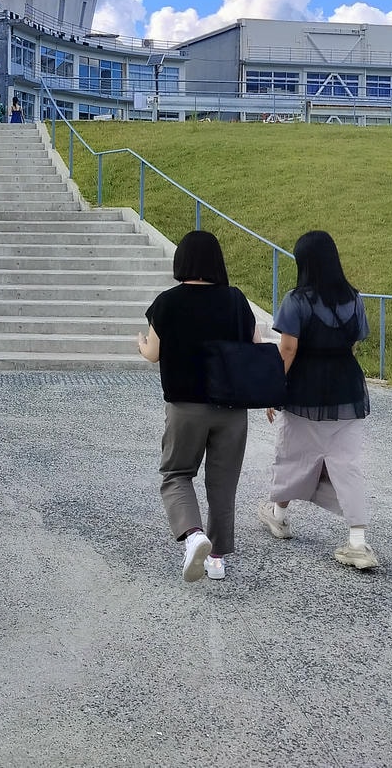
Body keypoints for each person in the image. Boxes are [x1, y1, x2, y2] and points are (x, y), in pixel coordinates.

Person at [138, 230, 260, 582]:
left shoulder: (167, 302)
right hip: (233, 409)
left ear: (182, 261)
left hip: (185, 406)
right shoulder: (236, 300)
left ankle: (194, 536)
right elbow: (255, 346)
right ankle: (217, 559)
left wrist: (140, 343)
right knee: (223, 485)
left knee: (177, 474)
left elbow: (153, 353)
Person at [257, 230, 379, 570]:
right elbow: (354, 343)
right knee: (347, 464)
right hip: (347, 392)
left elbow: (288, 349)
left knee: (292, 455)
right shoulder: (353, 298)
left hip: (303, 392)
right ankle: (357, 542)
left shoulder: (296, 300)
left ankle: (279, 515)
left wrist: (272, 388)